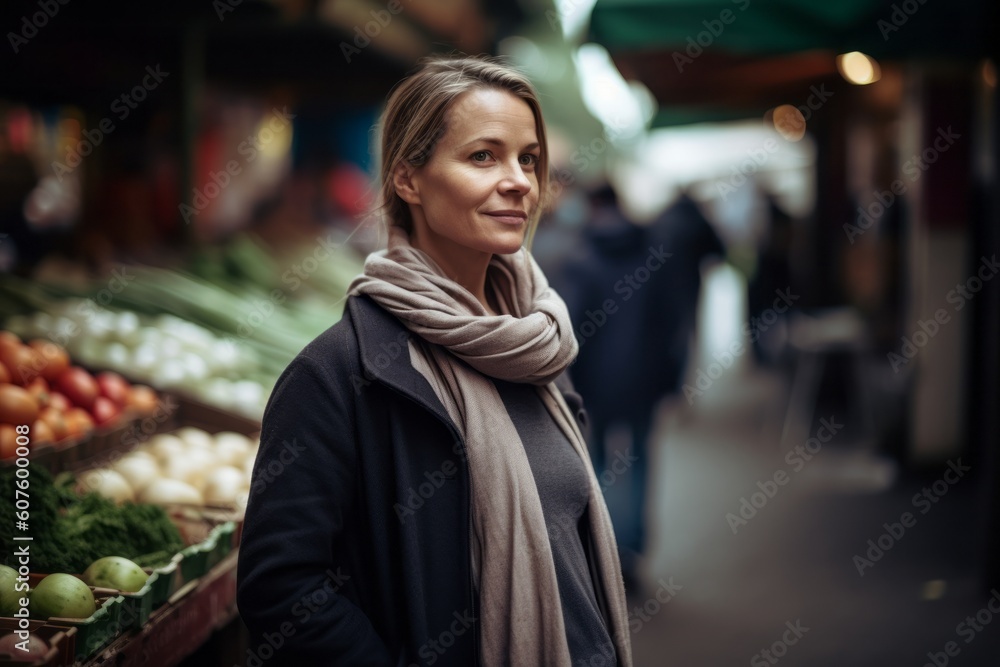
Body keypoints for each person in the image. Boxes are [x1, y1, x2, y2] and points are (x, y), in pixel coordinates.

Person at [237, 55, 633, 667]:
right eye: (483, 156)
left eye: (527, 158)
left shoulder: (536, 345)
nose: (520, 180)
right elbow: (281, 592)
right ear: (408, 180)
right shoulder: (341, 371)